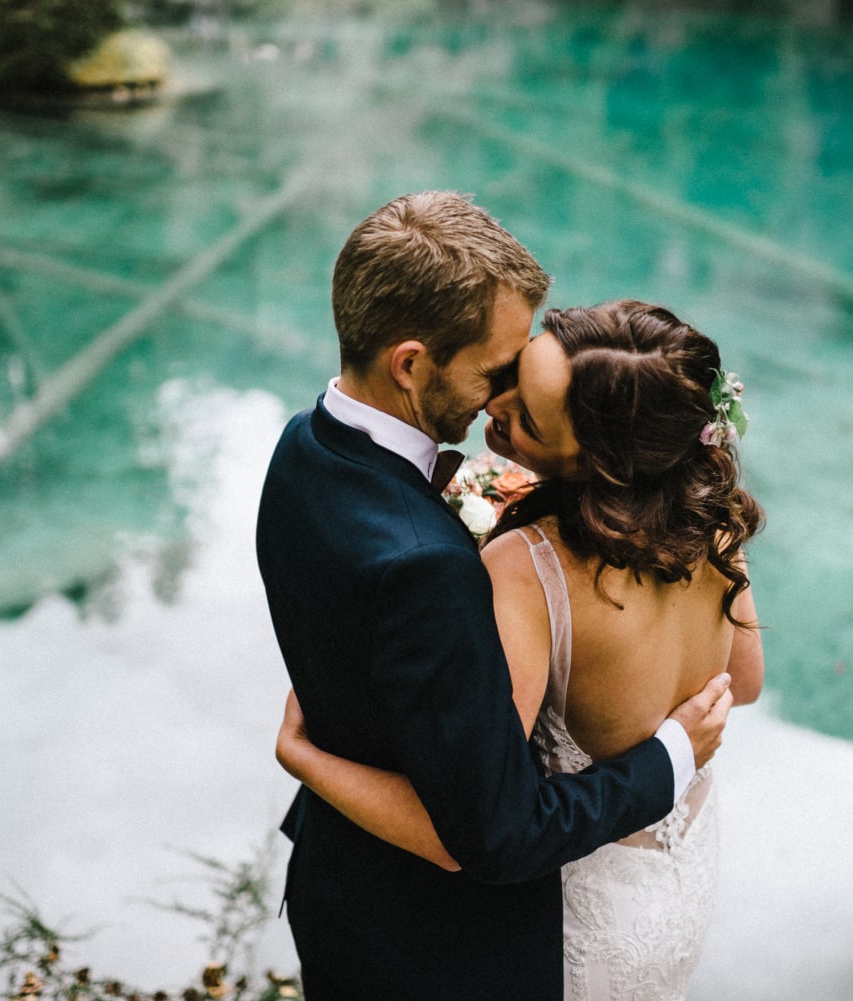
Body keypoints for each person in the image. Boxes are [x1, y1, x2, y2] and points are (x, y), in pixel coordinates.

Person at [255, 195, 736, 1001]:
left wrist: (310, 756)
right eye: (494, 369)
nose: (499, 401)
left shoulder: (301, 447)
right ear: (410, 363)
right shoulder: (431, 566)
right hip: (441, 953)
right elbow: (497, 834)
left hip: (341, 895)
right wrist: (672, 756)